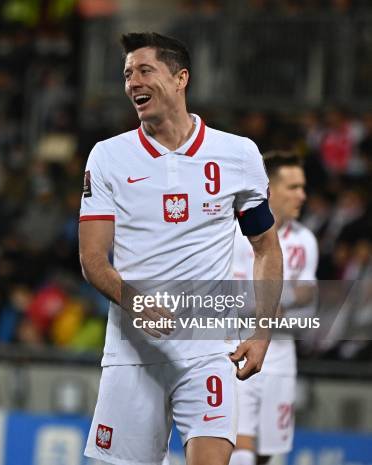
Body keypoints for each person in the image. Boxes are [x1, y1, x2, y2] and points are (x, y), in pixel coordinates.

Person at [78, 32, 283, 465]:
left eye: (144, 70)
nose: (133, 82)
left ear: (180, 78)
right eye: (127, 74)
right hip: (132, 352)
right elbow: (92, 258)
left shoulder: (238, 155)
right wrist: (132, 300)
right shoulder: (108, 157)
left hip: (209, 350)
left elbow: (265, 246)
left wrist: (262, 331)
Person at [230, 151, 318, 465]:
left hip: (281, 353)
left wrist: (280, 300)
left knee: (267, 451)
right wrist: (262, 304)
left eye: (303, 187)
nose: (302, 195)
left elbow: (308, 292)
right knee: (239, 442)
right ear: (269, 189)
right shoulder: (235, 233)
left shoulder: (305, 239)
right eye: (293, 187)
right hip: (238, 344)